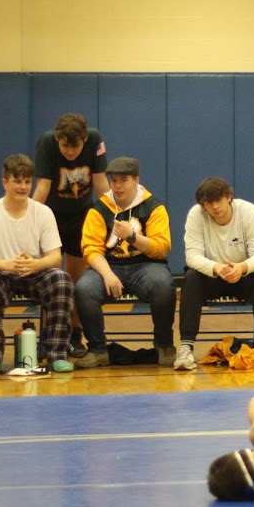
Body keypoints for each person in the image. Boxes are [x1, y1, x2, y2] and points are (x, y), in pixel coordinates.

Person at [0, 154, 75, 374]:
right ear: (5, 183)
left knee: (61, 279)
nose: (23, 186)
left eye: (27, 181)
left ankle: (57, 354)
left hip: (34, 273)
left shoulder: (43, 213)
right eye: (17, 181)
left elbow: (55, 257)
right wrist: (6, 264)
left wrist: (35, 265)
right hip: (1, 273)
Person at [73, 157, 176, 368]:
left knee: (163, 286)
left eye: (124, 180)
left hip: (146, 266)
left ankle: (164, 344)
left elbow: (161, 247)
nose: (117, 186)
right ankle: (98, 349)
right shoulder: (99, 209)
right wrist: (107, 274)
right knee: (84, 288)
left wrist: (132, 237)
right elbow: (91, 249)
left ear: (136, 180)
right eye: (113, 180)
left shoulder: (154, 207)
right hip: (109, 266)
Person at [174, 176, 254, 372]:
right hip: (212, 277)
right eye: (209, 202)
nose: (215, 206)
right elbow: (192, 256)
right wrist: (215, 267)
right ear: (203, 205)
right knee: (191, 278)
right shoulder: (195, 216)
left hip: (242, 277)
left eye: (219, 200)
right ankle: (186, 348)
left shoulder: (249, 212)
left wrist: (242, 268)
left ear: (229, 197)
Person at [33, 113, 108, 357]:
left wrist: (115, 214)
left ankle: (75, 334)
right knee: (51, 279)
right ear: (57, 139)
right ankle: (48, 335)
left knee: (76, 282)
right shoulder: (47, 143)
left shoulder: (95, 139)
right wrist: (30, 220)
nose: (69, 152)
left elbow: (100, 184)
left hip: (81, 217)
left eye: (74, 147)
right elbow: (42, 187)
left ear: (85, 140)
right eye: (64, 145)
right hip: (51, 217)